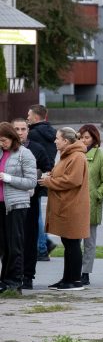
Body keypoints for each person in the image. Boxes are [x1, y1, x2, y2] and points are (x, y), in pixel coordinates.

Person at [38, 127, 90, 291]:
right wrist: (51, 176)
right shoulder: (68, 156)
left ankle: (75, 280)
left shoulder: (77, 156)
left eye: (57, 138)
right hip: (67, 205)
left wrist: (49, 182)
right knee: (68, 242)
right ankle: (67, 278)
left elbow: (72, 180)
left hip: (73, 206)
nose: (55, 141)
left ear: (66, 141)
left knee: (72, 243)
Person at [0, 122, 37, 294]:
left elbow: (31, 182)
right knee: (4, 245)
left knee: (15, 244)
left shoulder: (24, 154)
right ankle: (4, 280)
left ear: (12, 138)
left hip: (16, 205)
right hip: (2, 204)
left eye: (4, 140)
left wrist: (8, 177)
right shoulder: (1, 153)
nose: (2, 144)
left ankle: (15, 281)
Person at [14, 118, 49, 289]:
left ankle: (28, 275)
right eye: (17, 129)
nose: (20, 132)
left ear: (28, 130)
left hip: (30, 200)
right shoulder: (5, 148)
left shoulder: (36, 148)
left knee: (29, 238)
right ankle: (12, 274)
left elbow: (48, 168)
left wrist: (37, 180)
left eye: (23, 129)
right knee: (12, 239)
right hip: (10, 200)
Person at [78, 124, 103, 286]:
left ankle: (85, 272)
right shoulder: (74, 154)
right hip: (74, 205)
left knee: (89, 242)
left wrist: (97, 195)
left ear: (94, 138)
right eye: (81, 137)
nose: (83, 140)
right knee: (72, 241)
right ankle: (73, 270)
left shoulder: (102, 156)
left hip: (91, 204)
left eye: (87, 137)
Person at [26, 105, 56, 262]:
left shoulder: (33, 134)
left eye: (29, 115)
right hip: (45, 174)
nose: (27, 117)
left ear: (36, 117)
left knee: (34, 213)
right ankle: (45, 242)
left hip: (35, 175)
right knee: (36, 211)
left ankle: (42, 248)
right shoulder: (51, 132)